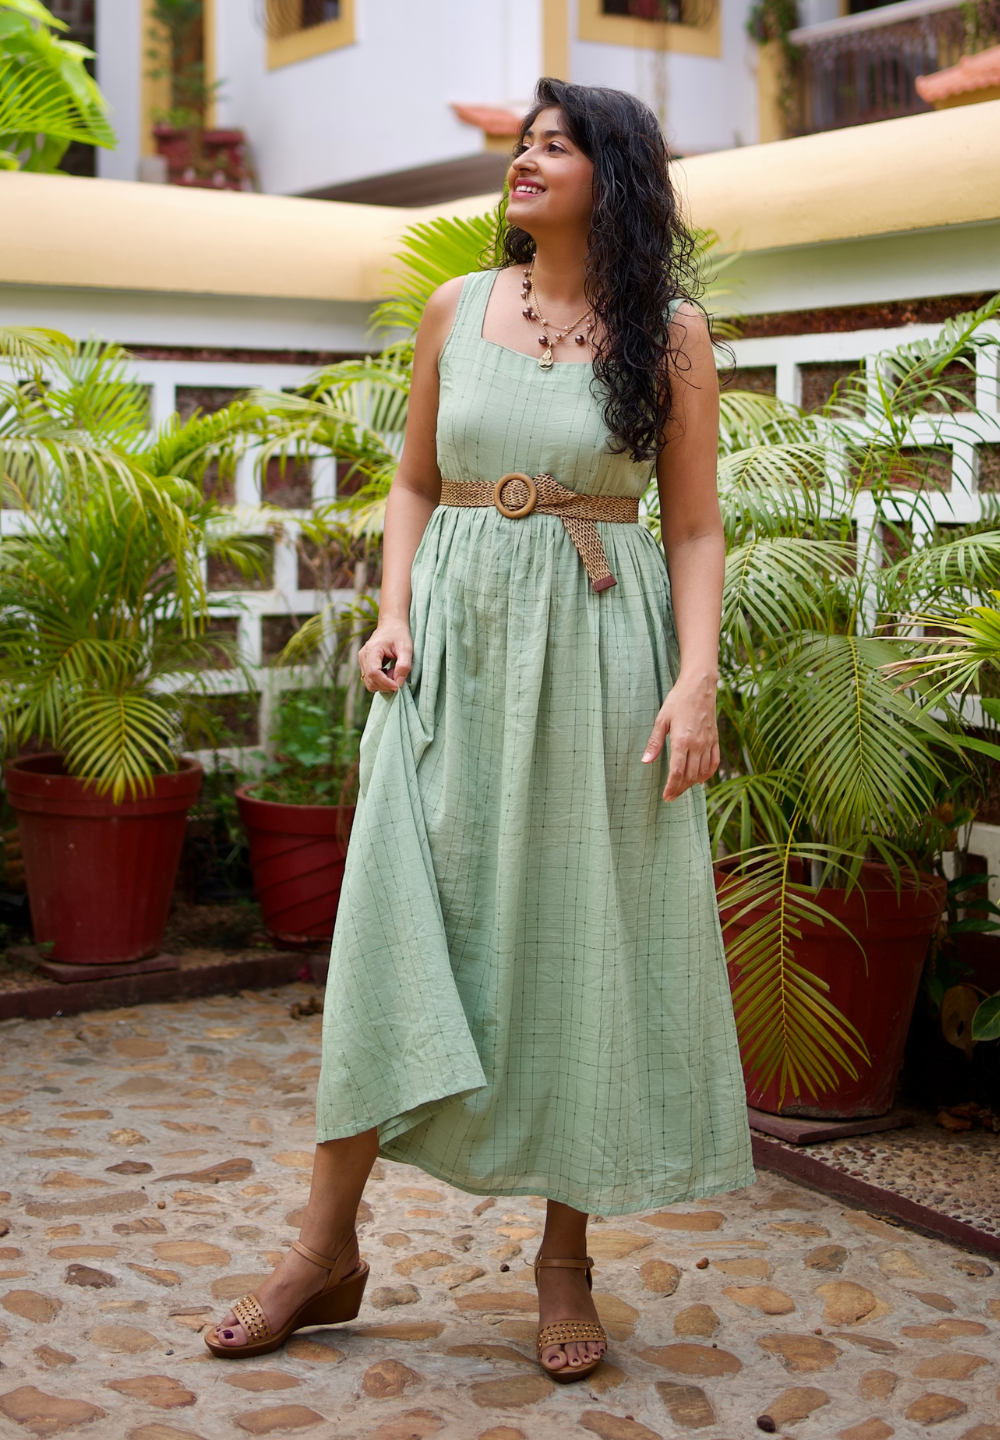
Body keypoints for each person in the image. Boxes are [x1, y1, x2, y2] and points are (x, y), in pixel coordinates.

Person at [207, 76, 753, 1383]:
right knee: (393, 927)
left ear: (614, 178)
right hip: (449, 655)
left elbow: (692, 527)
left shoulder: (670, 336)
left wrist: (695, 681)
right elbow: (411, 481)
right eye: (523, 143)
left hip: (599, 657)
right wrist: (392, 611)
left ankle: (564, 1264)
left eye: (556, 145)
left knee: (580, 938)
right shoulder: (458, 306)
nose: (526, 160)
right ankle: (323, 1251)